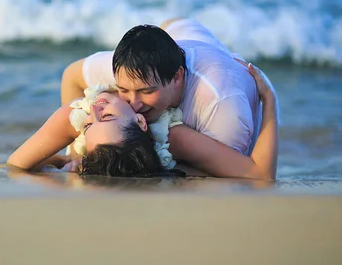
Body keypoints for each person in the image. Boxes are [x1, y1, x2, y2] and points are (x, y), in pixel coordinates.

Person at [60, 18, 272, 173]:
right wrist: (77, 153)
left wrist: (269, 100)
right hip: (185, 35)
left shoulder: (221, 107)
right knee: (172, 24)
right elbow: (72, 76)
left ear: (177, 76)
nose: (132, 104)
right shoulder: (131, 71)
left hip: (224, 77)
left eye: (147, 91)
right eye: (124, 91)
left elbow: (255, 176)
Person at [7, 61, 278, 180]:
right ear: (140, 122)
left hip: (169, 58)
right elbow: (259, 175)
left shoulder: (78, 114)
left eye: (90, 124)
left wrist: (64, 158)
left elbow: (16, 164)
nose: (96, 110)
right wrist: (269, 100)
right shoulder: (175, 137)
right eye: (105, 118)